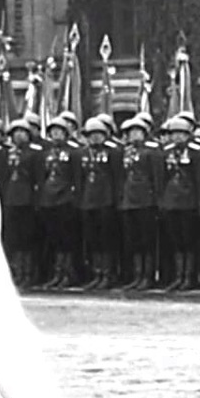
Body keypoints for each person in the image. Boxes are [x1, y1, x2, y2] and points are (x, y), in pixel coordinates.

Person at [75, 117, 123, 291]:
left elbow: (118, 178)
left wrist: (117, 200)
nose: (95, 138)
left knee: (106, 240)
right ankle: (97, 273)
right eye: (92, 135)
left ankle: (108, 274)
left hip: (106, 200)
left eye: (99, 134)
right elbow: (80, 179)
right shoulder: (83, 153)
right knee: (93, 240)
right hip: (89, 201)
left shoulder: (114, 152)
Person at [159, 117, 200, 292]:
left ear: (188, 135)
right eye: (174, 134)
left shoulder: (196, 152)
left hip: (189, 202)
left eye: (181, 134)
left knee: (188, 241)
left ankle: (189, 276)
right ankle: (179, 276)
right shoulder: (167, 152)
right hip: (172, 201)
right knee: (176, 241)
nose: (177, 137)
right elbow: (163, 178)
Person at [118, 115, 162, 291]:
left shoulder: (152, 151)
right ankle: (138, 275)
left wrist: (157, 201)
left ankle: (148, 275)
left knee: (147, 241)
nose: (134, 135)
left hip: (146, 201)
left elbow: (157, 178)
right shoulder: (127, 151)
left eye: (138, 131)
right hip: (130, 201)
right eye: (131, 132)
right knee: (134, 241)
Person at [38, 116, 78, 290]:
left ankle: (67, 273)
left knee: (66, 239)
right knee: (54, 239)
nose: (56, 134)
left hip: (65, 199)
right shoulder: (46, 153)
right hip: (49, 199)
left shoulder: (73, 152)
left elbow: (76, 177)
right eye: (53, 131)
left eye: (59, 131)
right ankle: (57, 272)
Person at [3, 118, 42, 288]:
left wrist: (36, 200)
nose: (19, 135)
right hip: (12, 198)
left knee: (27, 239)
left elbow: (38, 178)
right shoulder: (8, 153)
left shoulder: (34, 153)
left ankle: (28, 272)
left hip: (28, 199)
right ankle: (17, 272)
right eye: (15, 132)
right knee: (14, 239)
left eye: (22, 132)